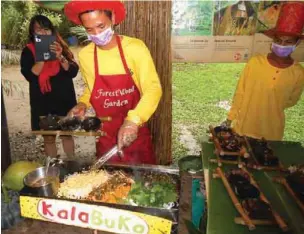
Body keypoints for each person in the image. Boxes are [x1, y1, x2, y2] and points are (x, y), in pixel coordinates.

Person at [64, 1, 162, 164]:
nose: (96, 33)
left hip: (135, 132)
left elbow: (153, 88)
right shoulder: (86, 55)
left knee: (143, 185)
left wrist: (133, 121)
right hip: (106, 136)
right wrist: (82, 104)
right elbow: (92, 89)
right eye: (89, 29)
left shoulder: (135, 48)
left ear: (113, 18)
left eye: (101, 26)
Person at [223, 2, 304, 141]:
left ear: (296, 44)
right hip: (244, 129)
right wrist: (230, 118)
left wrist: (271, 103)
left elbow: (292, 101)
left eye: (288, 42)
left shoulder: (298, 73)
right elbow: (240, 92)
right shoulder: (255, 63)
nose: (282, 45)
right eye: (279, 40)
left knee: (265, 162)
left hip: (272, 133)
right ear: (273, 40)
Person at [20, 15, 79, 158]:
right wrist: (40, 59)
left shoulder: (60, 47)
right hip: (43, 101)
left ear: (51, 31)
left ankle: (71, 163)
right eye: (39, 30)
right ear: (32, 32)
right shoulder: (28, 51)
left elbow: (73, 71)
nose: (43, 33)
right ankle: (52, 166)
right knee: (49, 137)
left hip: (64, 99)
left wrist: (60, 56)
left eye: (46, 29)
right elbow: (29, 76)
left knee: (66, 134)